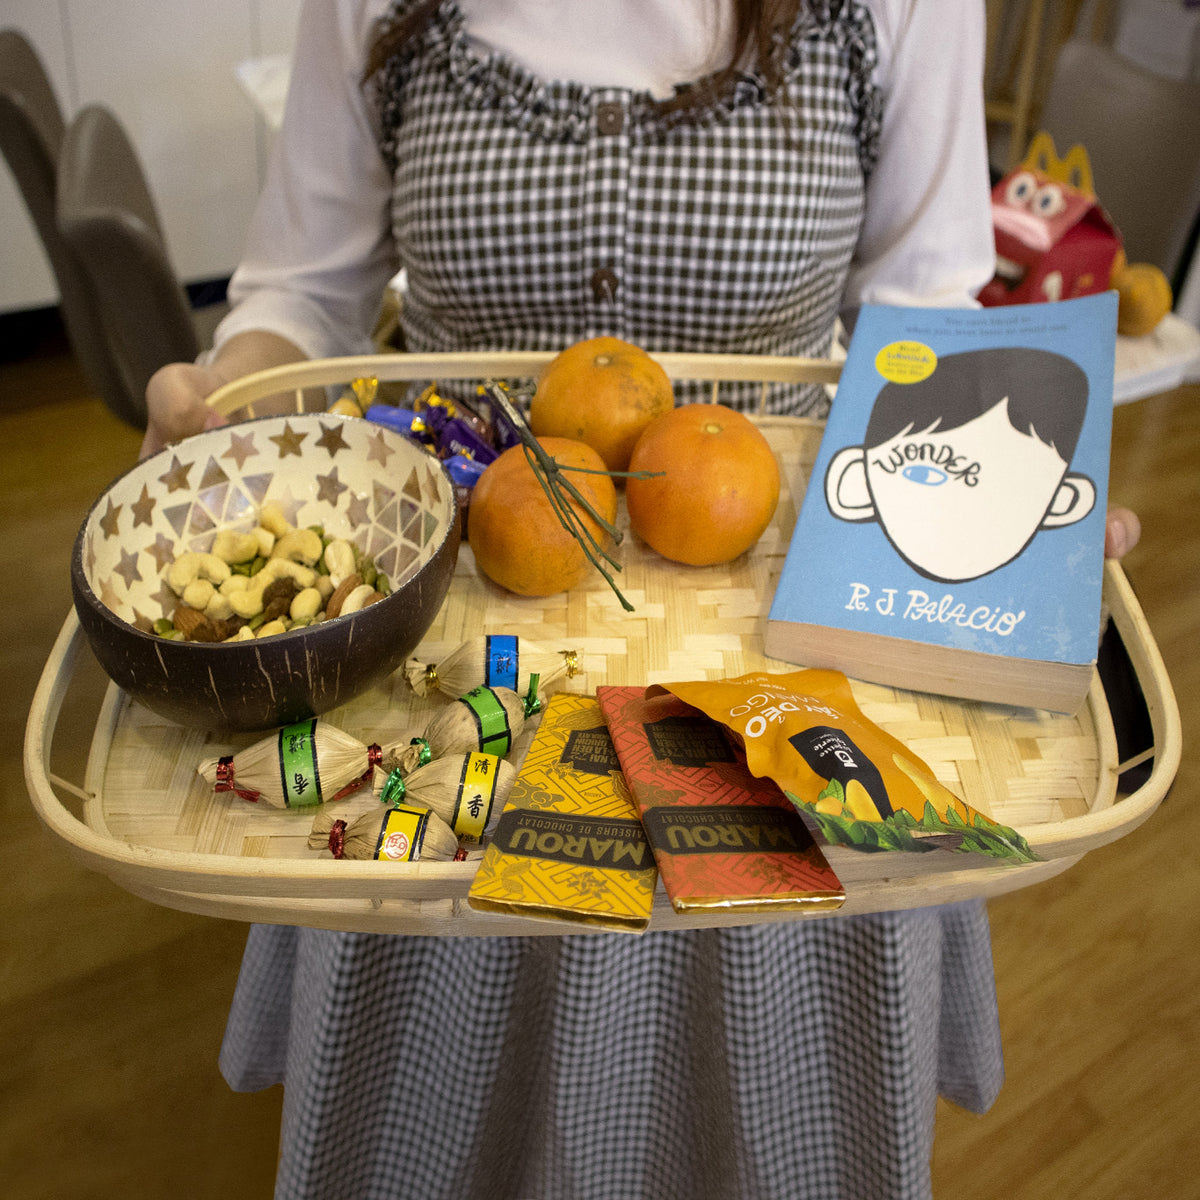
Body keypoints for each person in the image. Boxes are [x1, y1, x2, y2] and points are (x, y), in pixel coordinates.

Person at [144, 3, 1139, 1197]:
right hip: (453, 681)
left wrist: (1017, 533)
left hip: (782, 674)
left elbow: (925, 317)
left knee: (769, 1137)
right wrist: (230, 394)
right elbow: (304, 294)